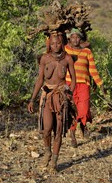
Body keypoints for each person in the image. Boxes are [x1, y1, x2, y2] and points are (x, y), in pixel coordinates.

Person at [28, 32, 76, 172]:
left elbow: (73, 79)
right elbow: (40, 80)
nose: (56, 46)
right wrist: (32, 99)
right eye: (53, 43)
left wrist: (69, 94)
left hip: (61, 96)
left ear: (63, 43)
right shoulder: (44, 59)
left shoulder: (67, 59)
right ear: (49, 44)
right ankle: (47, 151)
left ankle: (54, 161)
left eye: (58, 43)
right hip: (47, 96)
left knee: (59, 130)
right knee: (47, 129)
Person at [65, 28, 106, 146]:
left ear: (81, 39)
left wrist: (100, 84)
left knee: (83, 109)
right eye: (73, 37)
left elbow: (93, 70)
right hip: (69, 84)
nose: (75, 39)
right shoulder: (65, 49)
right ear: (69, 38)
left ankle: (83, 126)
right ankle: (72, 135)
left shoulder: (87, 52)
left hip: (84, 84)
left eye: (77, 37)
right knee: (71, 110)